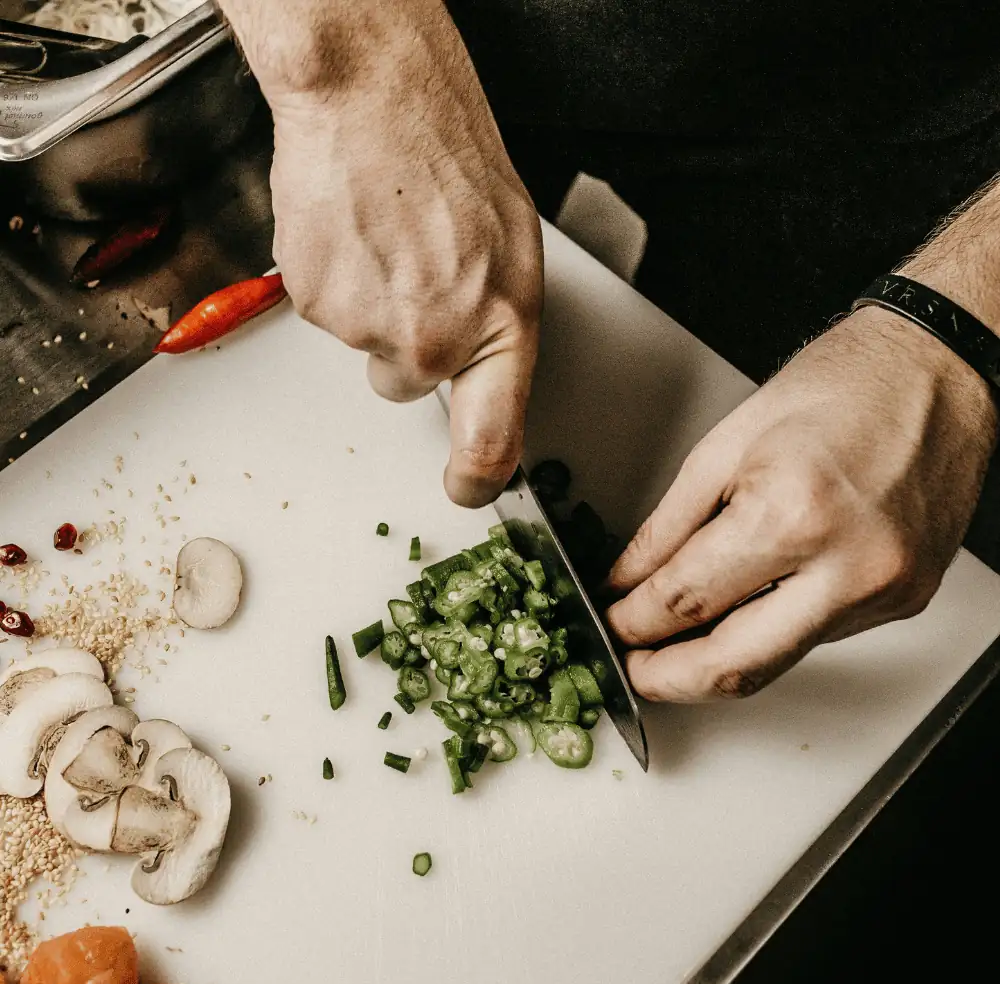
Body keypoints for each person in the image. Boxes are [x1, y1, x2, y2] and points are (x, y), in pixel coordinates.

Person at [215, 0, 1000, 703]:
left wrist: (956, 329)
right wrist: (334, 50)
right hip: (456, 36)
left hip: (912, 139)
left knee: (841, 546)